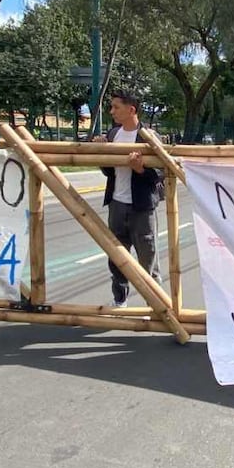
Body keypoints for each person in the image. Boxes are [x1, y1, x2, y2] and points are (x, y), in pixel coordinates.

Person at [94, 90, 163, 307]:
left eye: (116, 107)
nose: (111, 111)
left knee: (147, 256)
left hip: (142, 207)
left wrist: (141, 169)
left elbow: (161, 174)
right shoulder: (113, 134)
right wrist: (101, 153)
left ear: (131, 109)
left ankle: (157, 304)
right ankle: (120, 299)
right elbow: (109, 172)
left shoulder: (149, 136)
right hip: (117, 204)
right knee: (117, 255)